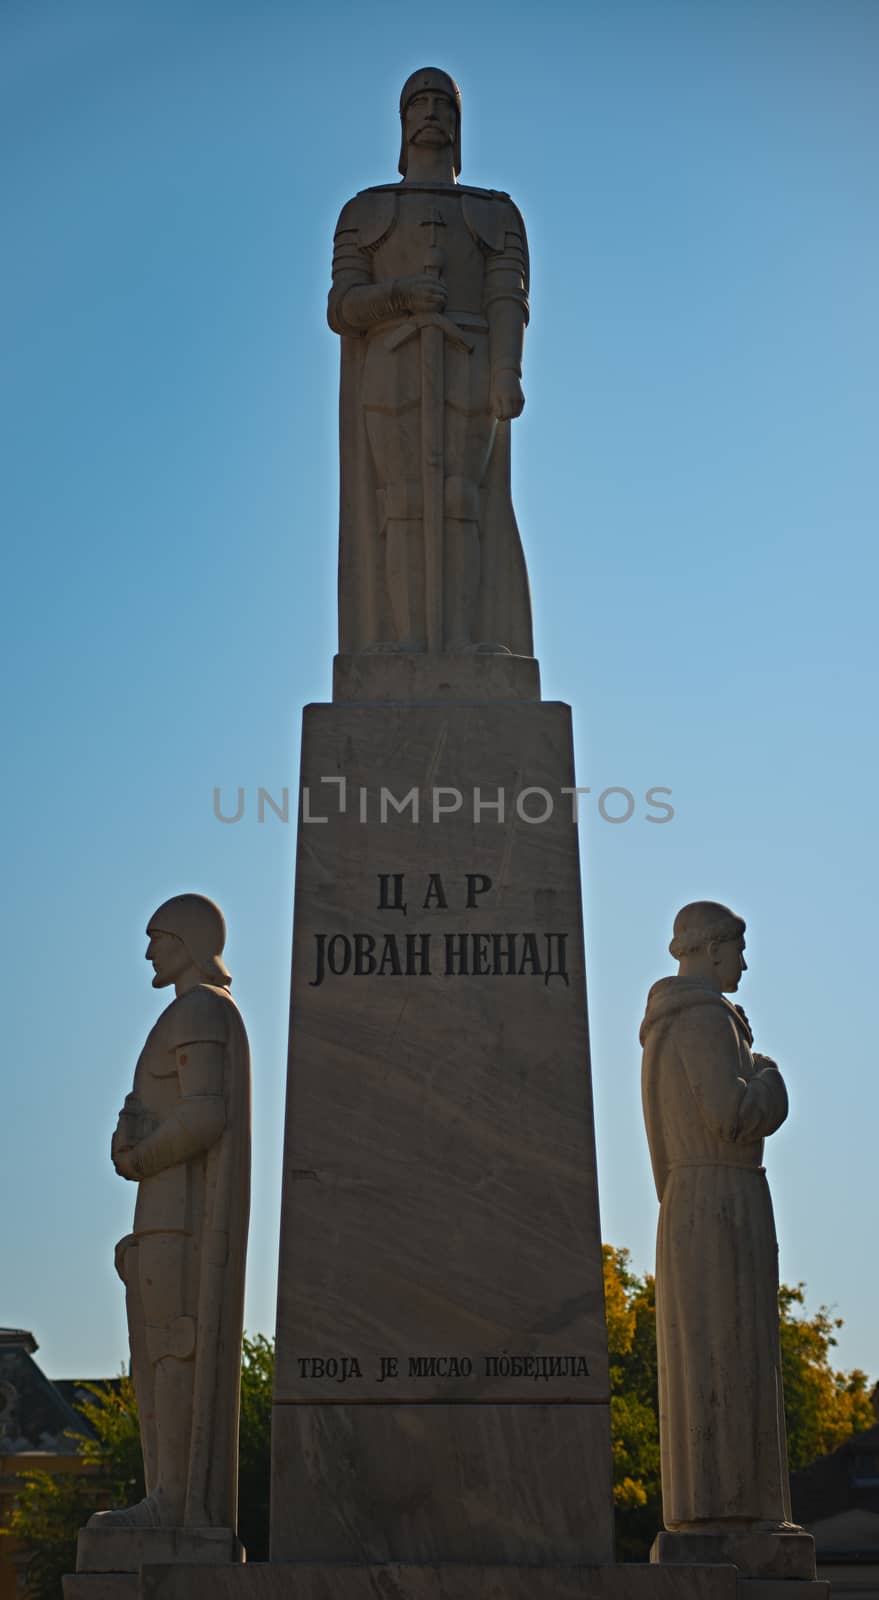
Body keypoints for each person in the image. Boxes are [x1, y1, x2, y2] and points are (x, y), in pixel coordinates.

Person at [329, 67, 533, 655]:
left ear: (458, 121)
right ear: (402, 120)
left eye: (442, 102)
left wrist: (507, 373)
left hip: (469, 366)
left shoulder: (495, 212)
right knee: (404, 503)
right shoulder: (365, 210)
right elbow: (343, 305)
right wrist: (400, 297)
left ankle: (464, 640)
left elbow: (507, 297)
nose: (430, 112)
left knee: (460, 500)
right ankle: (408, 644)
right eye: (418, 101)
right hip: (391, 369)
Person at [88, 894, 250, 1532]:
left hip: (179, 1213)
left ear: (186, 941)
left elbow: (207, 1113)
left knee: (171, 1348)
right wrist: (129, 1140)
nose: (150, 951)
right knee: (159, 1352)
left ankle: (176, 1503)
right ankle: (167, 1494)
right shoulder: (186, 1013)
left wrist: (142, 1156)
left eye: (158, 938)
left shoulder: (200, 1010)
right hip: (161, 1209)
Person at [640, 901, 794, 1532]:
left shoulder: (680, 1020)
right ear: (707, 949)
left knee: (724, 1347)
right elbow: (732, 1115)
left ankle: (724, 1503)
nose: (743, 962)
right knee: (726, 1349)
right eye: (736, 948)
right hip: (719, 1197)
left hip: (701, 1196)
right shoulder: (702, 1020)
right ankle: (728, 1506)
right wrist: (772, 1079)